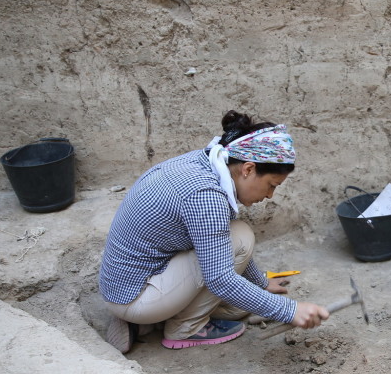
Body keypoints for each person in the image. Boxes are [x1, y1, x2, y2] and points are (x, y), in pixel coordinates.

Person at [98, 110, 329, 353]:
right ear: (248, 169)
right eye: (271, 185)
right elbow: (220, 279)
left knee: (240, 299)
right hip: (136, 295)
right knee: (240, 246)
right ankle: (184, 328)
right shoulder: (206, 196)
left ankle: (143, 323)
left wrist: (260, 283)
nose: (270, 195)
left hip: (123, 284)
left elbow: (218, 243)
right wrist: (290, 310)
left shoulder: (206, 161)